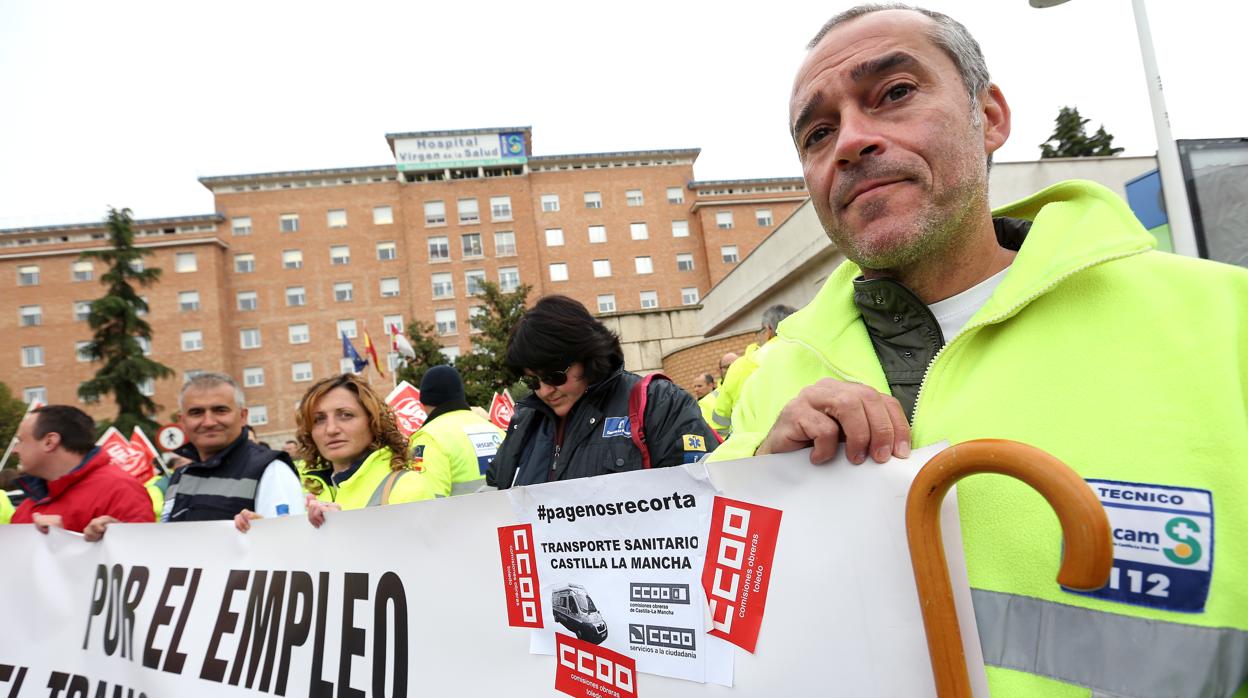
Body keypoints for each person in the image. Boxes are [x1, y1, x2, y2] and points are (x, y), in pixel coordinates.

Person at [708, 5, 1248, 696]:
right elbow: (705, 614)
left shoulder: (1222, 323)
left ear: (988, 115)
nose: (850, 141)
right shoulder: (776, 374)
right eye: (818, 133)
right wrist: (767, 485)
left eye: (894, 93)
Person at [488, 295, 718, 488]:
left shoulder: (659, 402)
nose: (545, 391)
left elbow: (701, 497)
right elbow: (495, 496)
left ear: (588, 356)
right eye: (532, 382)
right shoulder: (525, 421)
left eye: (554, 376)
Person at [237, 373, 434, 531]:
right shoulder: (312, 489)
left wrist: (343, 532)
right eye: (319, 419)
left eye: (345, 415)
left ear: (373, 422)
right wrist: (262, 533)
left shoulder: (407, 487)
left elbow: (416, 567)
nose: (331, 429)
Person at [138, 373, 304, 528]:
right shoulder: (181, 475)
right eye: (196, 412)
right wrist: (120, 537)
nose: (208, 422)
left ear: (243, 416)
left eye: (220, 410)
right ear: (182, 421)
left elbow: (286, 547)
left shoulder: (271, 470)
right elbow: (169, 541)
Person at [9, 405, 153, 533]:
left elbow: (139, 554)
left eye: (20, 441)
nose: (14, 450)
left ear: (49, 442)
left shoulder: (120, 490)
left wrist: (65, 541)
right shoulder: (31, 503)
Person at [407, 365, 504, 497]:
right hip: (505, 516)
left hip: (458, 517)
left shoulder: (428, 439)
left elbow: (425, 503)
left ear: (423, 401)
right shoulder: (497, 431)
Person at [711, 304, 796, 435]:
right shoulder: (817, 354)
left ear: (768, 330)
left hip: (753, 449)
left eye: (760, 331)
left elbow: (720, 420)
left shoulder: (740, 366)